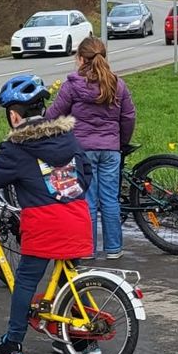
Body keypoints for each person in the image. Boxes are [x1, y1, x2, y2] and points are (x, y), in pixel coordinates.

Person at [0, 74, 95, 354]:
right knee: (71, 279)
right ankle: (82, 341)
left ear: (14, 115)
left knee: (26, 282)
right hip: (77, 216)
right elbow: (86, 173)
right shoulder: (67, 137)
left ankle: (13, 345)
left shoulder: (18, 148)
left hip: (44, 222)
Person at [45, 36, 136, 260]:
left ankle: (87, 249)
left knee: (87, 200)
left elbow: (53, 115)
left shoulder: (73, 85)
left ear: (80, 59)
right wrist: (121, 143)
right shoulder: (117, 84)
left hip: (82, 150)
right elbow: (128, 117)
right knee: (110, 199)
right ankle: (114, 248)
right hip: (111, 151)